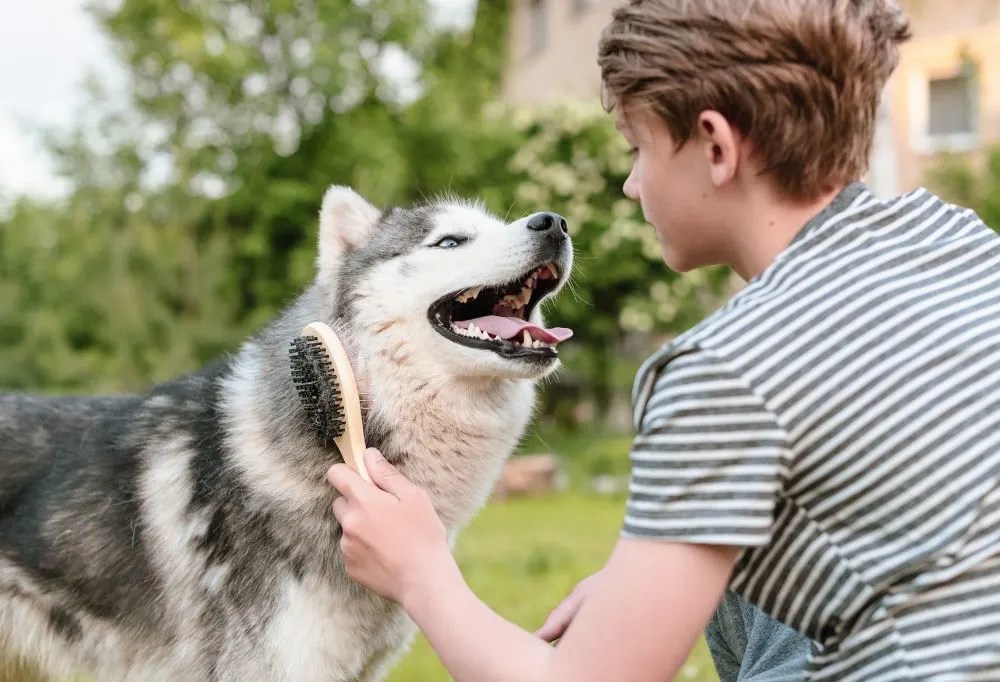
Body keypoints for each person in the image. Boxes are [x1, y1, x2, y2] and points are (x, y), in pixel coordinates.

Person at [327, 0, 1000, 679]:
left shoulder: (723, 370)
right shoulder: (957, 241)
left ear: (715, 146)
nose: (630, 183)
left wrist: (421, 574)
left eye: (637, 148)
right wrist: (641, 593)